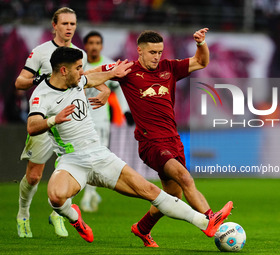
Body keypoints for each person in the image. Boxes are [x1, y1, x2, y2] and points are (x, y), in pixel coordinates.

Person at [26, 46, 233, 243]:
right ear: (63, 70)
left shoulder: (77, 81)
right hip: (71, 160)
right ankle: (74, 217)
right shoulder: (42, 95)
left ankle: (204, 222)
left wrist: (111, 77)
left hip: (100, 156)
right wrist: (54, 119)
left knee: (151, 191)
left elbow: (93, 77)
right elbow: (32, 126)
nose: (82, 72)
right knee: (56, 197)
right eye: (78, 68)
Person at [90, 28, 228, 247]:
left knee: (172, 195)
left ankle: (142, 228)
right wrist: (105, 85)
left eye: (159, 52)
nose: (157, 56)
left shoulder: (169, 68)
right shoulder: (126, 69)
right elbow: (88, 75)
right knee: (185, 177)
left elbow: (201, 62)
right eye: (152, 52)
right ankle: (210, 218)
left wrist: (201, 43)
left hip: (173, 139)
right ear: (140, 51)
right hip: (150, 143)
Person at [15, 7, 110, 238]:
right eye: (65, 23)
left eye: (73, 24)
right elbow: (20, 82)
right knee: (34, 176)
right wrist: (41, 78)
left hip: (69, 123)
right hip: (45, 119)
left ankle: (57, 215)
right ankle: (23, 214)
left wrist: (105, 89)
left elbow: (84, 78)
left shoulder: (80, 53)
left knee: (76, 169)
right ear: (54, 25)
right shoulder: (40, 52)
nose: (69, 28)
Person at [80, 31, 132, 212]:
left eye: (97, 43)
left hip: (100, 121)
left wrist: (126, 112)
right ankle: (87, 193)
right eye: (91, 43)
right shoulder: (78, 64)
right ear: (86, 46)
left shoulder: (108, 64)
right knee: (79, 158)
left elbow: (118, 89)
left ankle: (89, 195)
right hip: (77, 121)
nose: (94, 46)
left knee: (95, 159)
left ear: (101, 46)